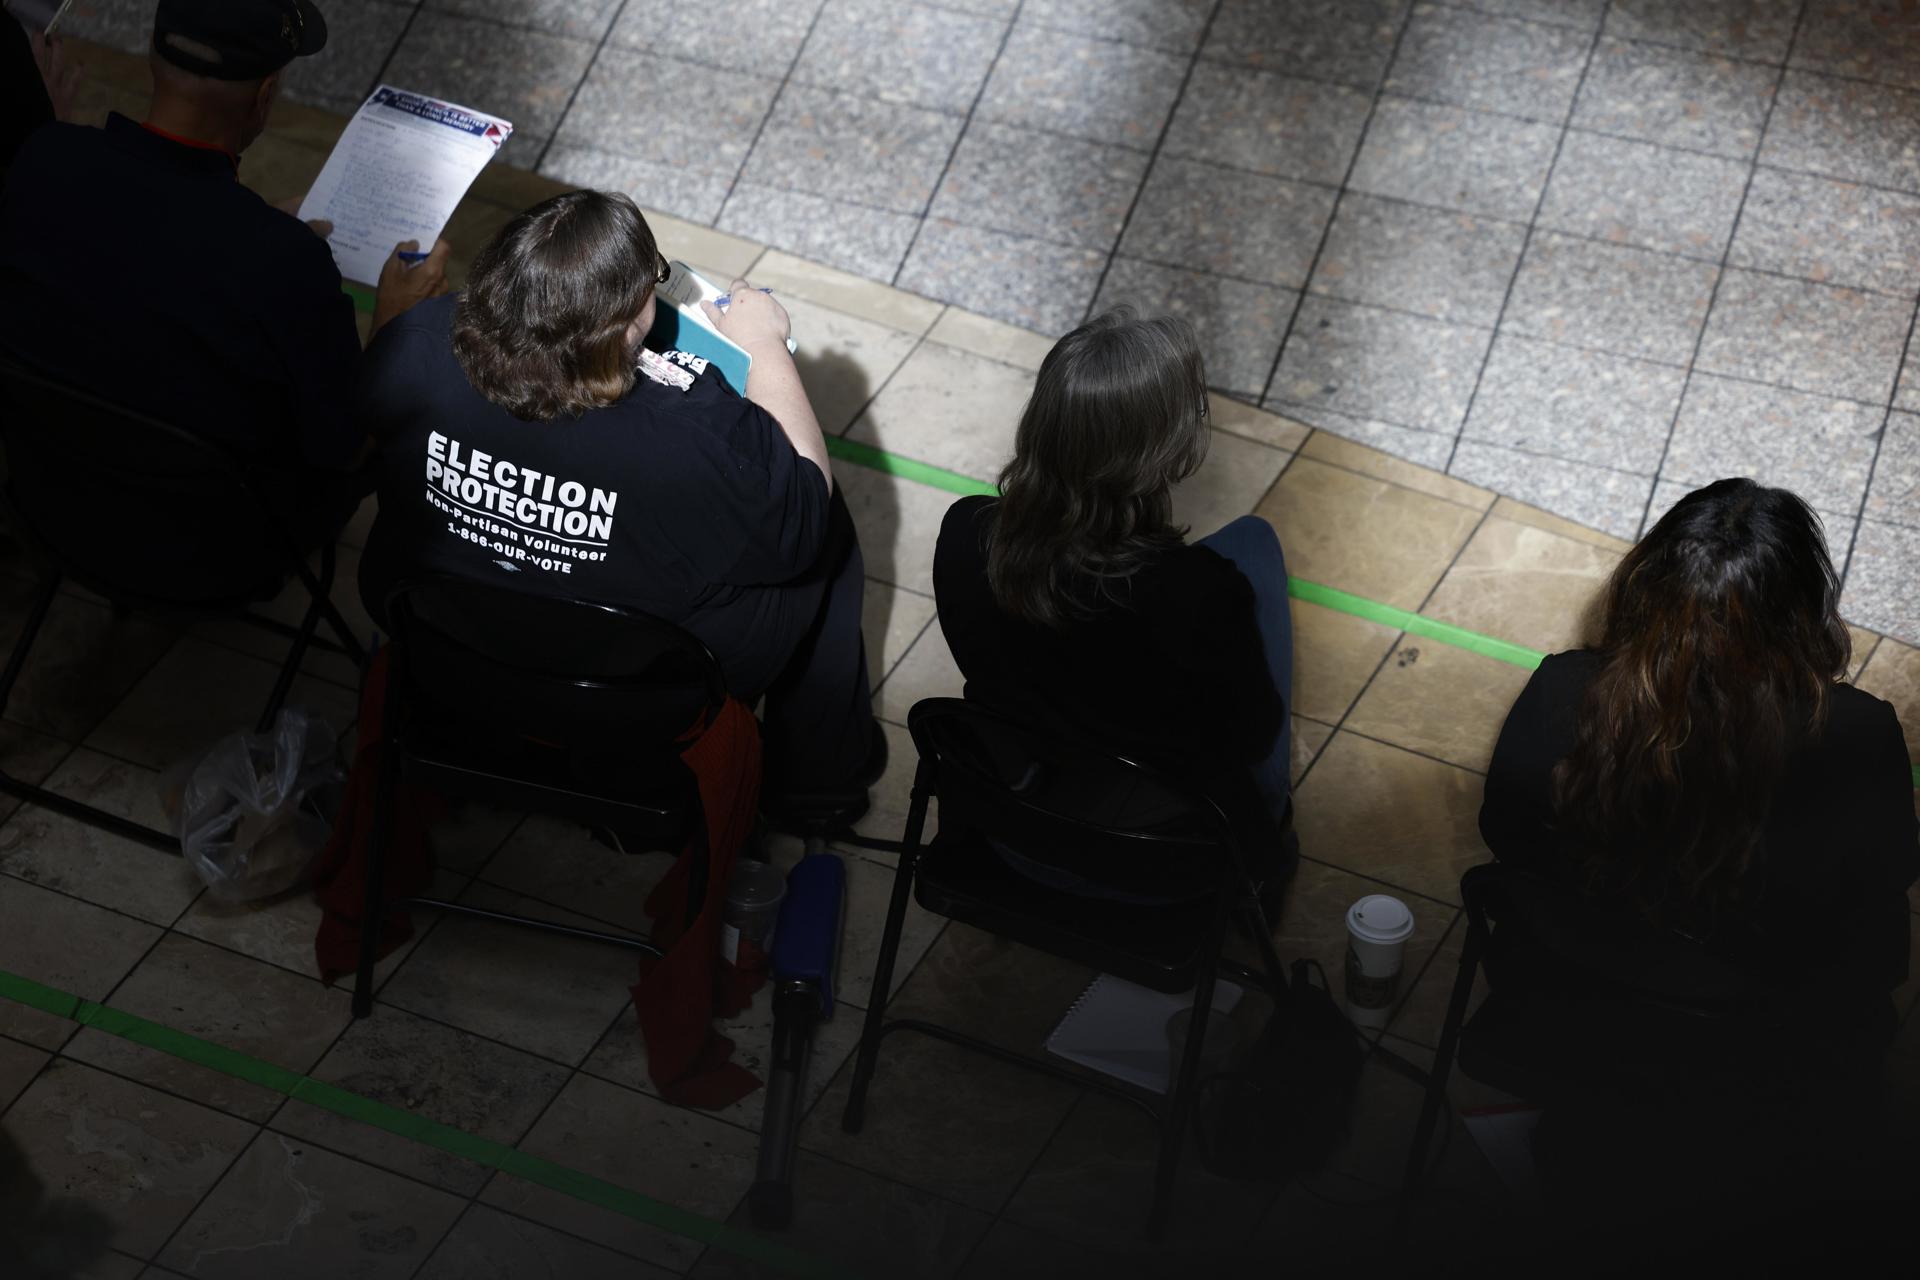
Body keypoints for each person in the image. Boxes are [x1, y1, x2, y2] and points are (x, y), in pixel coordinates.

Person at [1478, 478, 1919, 1237]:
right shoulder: (1858, 736)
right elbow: (1886, 893)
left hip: (1575, 1027)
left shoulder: (1560, 693)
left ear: (1643, 589)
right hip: (1768, 1059)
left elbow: (1504, 835)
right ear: (1801, 612)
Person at [353, 188, 882, 819]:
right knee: (825, 532)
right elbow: (802, 511)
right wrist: (764, 344)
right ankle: (819, 785)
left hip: (443, 638)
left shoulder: (416, 344)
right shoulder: (699, 436)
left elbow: (364, 433)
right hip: (640, 684)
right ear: (633, 317)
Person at [0, 0, 447, 570]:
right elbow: (346, 447)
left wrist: (259, 237)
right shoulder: (285, 263)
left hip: (53, 507)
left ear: (152, 61)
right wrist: (395, 325)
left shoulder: (42, 160)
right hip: (219, 554)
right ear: (264, 95)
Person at [932, 307, 1295, 894]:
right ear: (1158, 451)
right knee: (1254, 543)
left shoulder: (965, 534)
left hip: (1014, 823)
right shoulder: (1197, 591)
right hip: (1157, 854)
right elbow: (1252, 734)